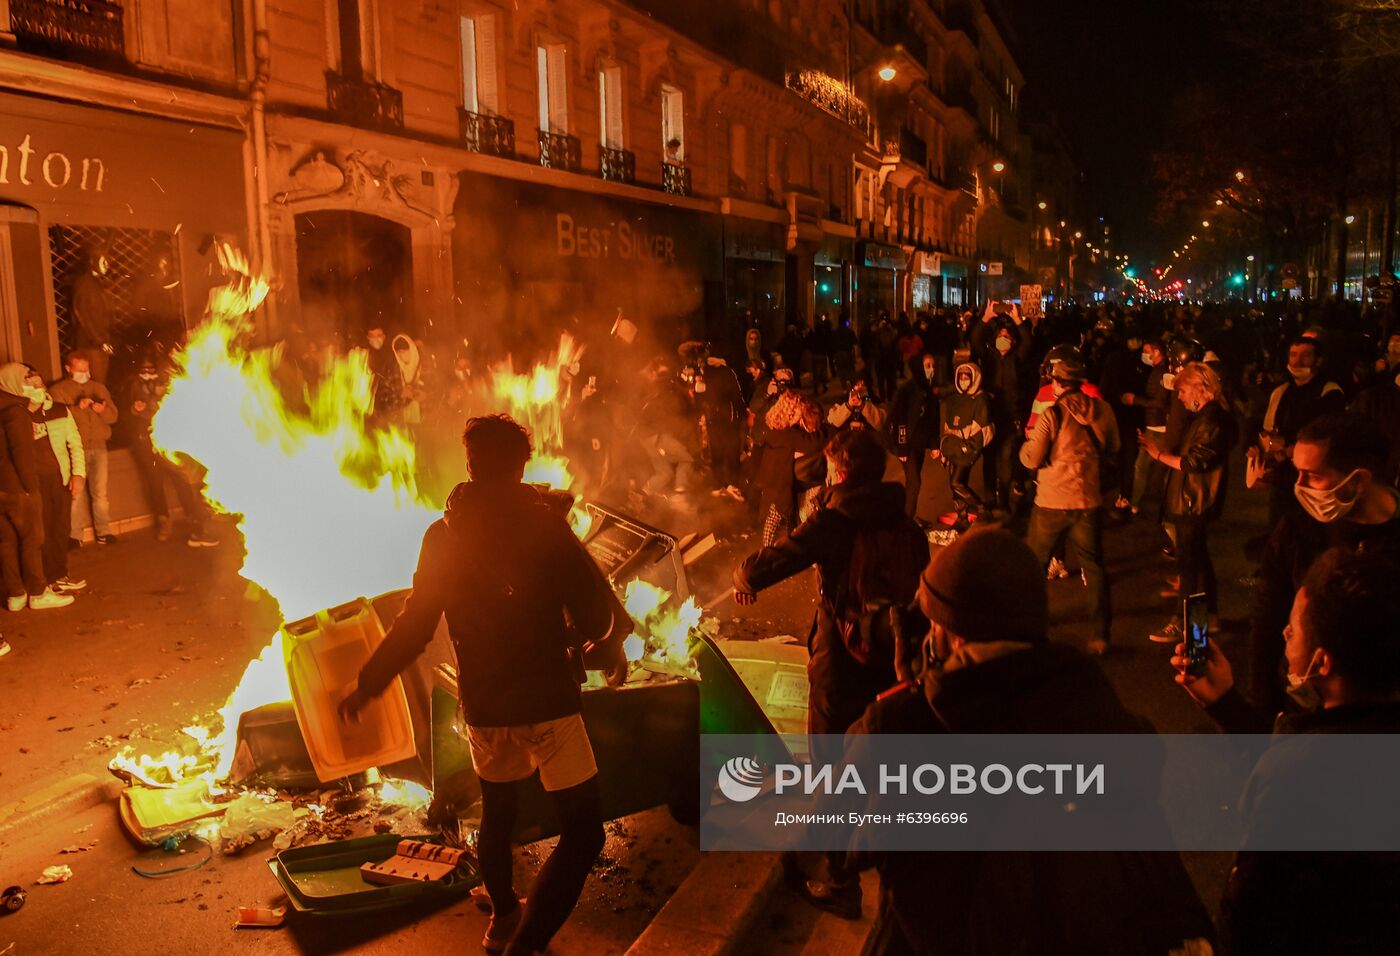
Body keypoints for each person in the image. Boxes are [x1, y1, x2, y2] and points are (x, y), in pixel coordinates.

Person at [848, 528, 1213, 954]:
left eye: (933, 623)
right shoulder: (1099, 712)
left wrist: (909, 702)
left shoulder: (903, 731)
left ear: (954, 636)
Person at [340, 415, 626, 956]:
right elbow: (594, 609)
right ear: (523, 466)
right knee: (584, 834)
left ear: (469, 465)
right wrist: (609, 648)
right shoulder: (544, 525)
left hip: (486, 706)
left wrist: (368, 683)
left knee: (499, 812)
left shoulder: (442, 534)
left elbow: (416, 622)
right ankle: (526, 944)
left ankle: (503, 920)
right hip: (549, 703)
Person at [733, 428, 927, 920]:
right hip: (892, 656)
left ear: (839, 470)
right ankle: (895, 865)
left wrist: (744, 576)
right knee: (880, 760)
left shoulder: (835, 519)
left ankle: (841, 880)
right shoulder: (908, 523)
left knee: (832, 764)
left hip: (841, 656)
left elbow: (779, 558)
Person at [1171, 547, 1400, 955]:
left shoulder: (1299, 775)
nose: (1284, 632)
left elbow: (1252, 914)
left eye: (1293, 627)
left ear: (1322, 661)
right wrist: (1225, 702)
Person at [1246, 413, 1399, 715]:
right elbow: (1266, 625)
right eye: (1296, 472)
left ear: (1358, 481)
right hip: (1303, 707)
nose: (1298, 486)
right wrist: (1262, 709)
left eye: (1313, 476)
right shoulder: (1296, 530)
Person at [1019, 347, 1119, 655]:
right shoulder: (1103, 410)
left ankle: (1030, 627)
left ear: (1058, 384)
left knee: (1034, 564)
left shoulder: (1053, 414)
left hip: (1051, 500)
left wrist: (1026, 448)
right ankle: (1101, 635)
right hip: (1087, 498)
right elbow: (1113, 447)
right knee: (1094, 566)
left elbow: (1032, 459)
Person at [1142, 362, 1237, 643]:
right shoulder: (1213, 416)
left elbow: (1193, 462)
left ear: (1201, 388)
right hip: (1195, 499)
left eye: (1182, 391)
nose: (1180, 397)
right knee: (1200, 561)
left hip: (1193, 501)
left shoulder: (1211, 420)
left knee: (1190, 569)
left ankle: (1192, 632)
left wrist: (1157, 455)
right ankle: (1210, 619)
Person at [1250, 337, 1345, 528]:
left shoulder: (1329, 392)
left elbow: (1329, 434)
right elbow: (1262, 425)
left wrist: (1294, 449)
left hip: (1312, 479)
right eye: (1293, 355)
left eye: (1306, 355)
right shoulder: (1281, 391)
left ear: (1318, 360)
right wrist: (1256, 447)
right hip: (1281, 477)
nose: (1297, 362)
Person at [0, 364, 71, 611]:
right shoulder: (16, 412)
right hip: (18, 489)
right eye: (26, 379)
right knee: (32, 540)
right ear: (11, 382)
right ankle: (38, 593)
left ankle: (16, 594)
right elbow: (21, 453)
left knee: (5, 542)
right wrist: (32, 487)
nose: (32, 384)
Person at [126, 358, 218, 547]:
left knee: (181, 481)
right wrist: (135, 410)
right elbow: (124, 415)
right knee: (155, 485)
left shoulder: (168, 385)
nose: (148, 371)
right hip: (146, 444)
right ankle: (164, 523)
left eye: (152, 368)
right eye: (144, 368)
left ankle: (197, 524)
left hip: (168, 441)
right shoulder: (132, 387)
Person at [23, 368, 85, 595]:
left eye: (40, 385)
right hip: (32, 484)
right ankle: (42, 581)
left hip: (60, 480)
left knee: (60, 529)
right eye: (32, 385)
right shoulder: (18, 416)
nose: (38, 389)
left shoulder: (59, 411)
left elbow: (75, 444)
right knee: (41, 533)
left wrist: (78, 474)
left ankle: (59, 576)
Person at [48, 354, 118, 546]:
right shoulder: (58, 390)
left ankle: (104, 532)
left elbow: (113, 417)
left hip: (99, 447)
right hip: (74, 449)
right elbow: (56, 419)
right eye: (79, 369)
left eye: (86, 369)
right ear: (68, 368)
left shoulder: (99, 388)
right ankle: (75, 536)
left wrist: (101, 410)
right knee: (75, 494)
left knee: (100, 494)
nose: (83, 373)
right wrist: (77, 408)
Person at [753, 390, 827, 545]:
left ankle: (777, 548)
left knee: (781, 516)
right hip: (780, 483)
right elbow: (813, 443)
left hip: (772, 479)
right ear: (793, 410)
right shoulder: (789, 434)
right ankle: (770, 550)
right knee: (778, 515)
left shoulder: (776, 426)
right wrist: (825, 430)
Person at [935, 361, 994, 521]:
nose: (963, 381)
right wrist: (944, 448)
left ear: (974, 378)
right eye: (960, 378)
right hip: (952, 448)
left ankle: (981, 509)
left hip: (966, 449)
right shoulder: (954, 399)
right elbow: (948, 426)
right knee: (953, 485)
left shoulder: (981, 399)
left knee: (957, 483)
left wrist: (968, 448)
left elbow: (984, 431)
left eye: (966, 378)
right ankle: (962, 517)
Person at [886, 354, 939, 520]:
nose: (931, 370)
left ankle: (907, 515)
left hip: (919, 444)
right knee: (915, 482)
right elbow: (898, 419)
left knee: (912, 483)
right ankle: (907, 520)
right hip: (906, 444)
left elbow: (933, 420)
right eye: (927, 365)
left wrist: (935, 444)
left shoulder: (929, 390)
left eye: (933, 366)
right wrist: (901, 446)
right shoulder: (907, 390)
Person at [1122, 338, 1171, 515]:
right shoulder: (1158, 371)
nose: (1144, 354)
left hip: (1157, 427)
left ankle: (1135, 504)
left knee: (1143, 467)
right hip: (1157, 425)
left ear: (1157, 351)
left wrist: (1134, 400)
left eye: (1146, 350)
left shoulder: (1160, 373)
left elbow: (1159, 402)